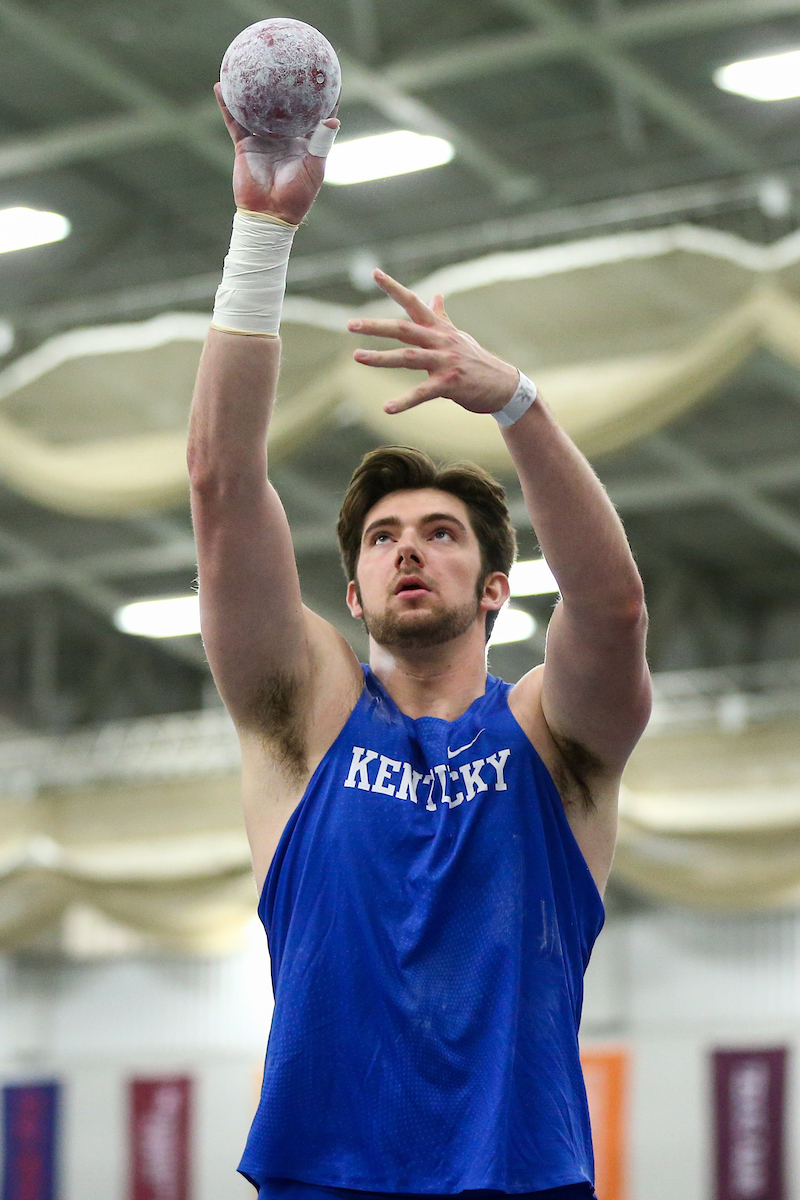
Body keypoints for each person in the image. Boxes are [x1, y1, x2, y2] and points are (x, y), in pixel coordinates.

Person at [189, 86, 651, 1200]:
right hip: (321, 1177)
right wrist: (261, 228)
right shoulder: (305, 721)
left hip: (519, 1174)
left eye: (439, 535)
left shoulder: (550, 734)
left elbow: (615, 611)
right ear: (349, 592)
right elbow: (219, 486)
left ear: (493, 586)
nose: (408, 551)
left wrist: (518, 405)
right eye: (384, 538)